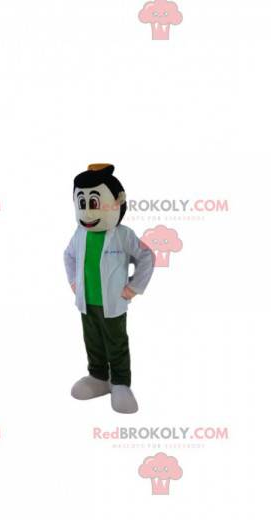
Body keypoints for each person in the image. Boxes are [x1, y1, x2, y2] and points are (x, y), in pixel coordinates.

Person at [64, 163, 155, 413]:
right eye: (82, 203)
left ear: (117, 202)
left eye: (94, 203)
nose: (87, 210)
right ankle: (98, 377)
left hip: (113, 302)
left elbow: (147, 257)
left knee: (116, 343)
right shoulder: (80, 234)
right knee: (92, 340)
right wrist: (73, 282)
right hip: (87, 301)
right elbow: (68, 256)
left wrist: (134, 287)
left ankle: (121, 383)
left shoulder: (123, 235)